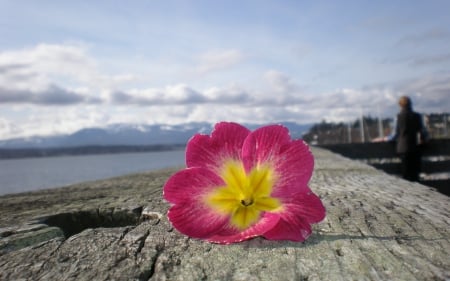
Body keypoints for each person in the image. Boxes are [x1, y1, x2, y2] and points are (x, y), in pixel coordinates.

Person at [392, 96, 428, 182]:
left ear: (400, 105)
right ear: (410, 104)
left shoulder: (398, 117)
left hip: (402, 148)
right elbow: (422, 132)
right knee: (415, 175)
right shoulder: (417, 116)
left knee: (406, 174)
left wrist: (385, 138)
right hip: (414, 147)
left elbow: (395, 134)